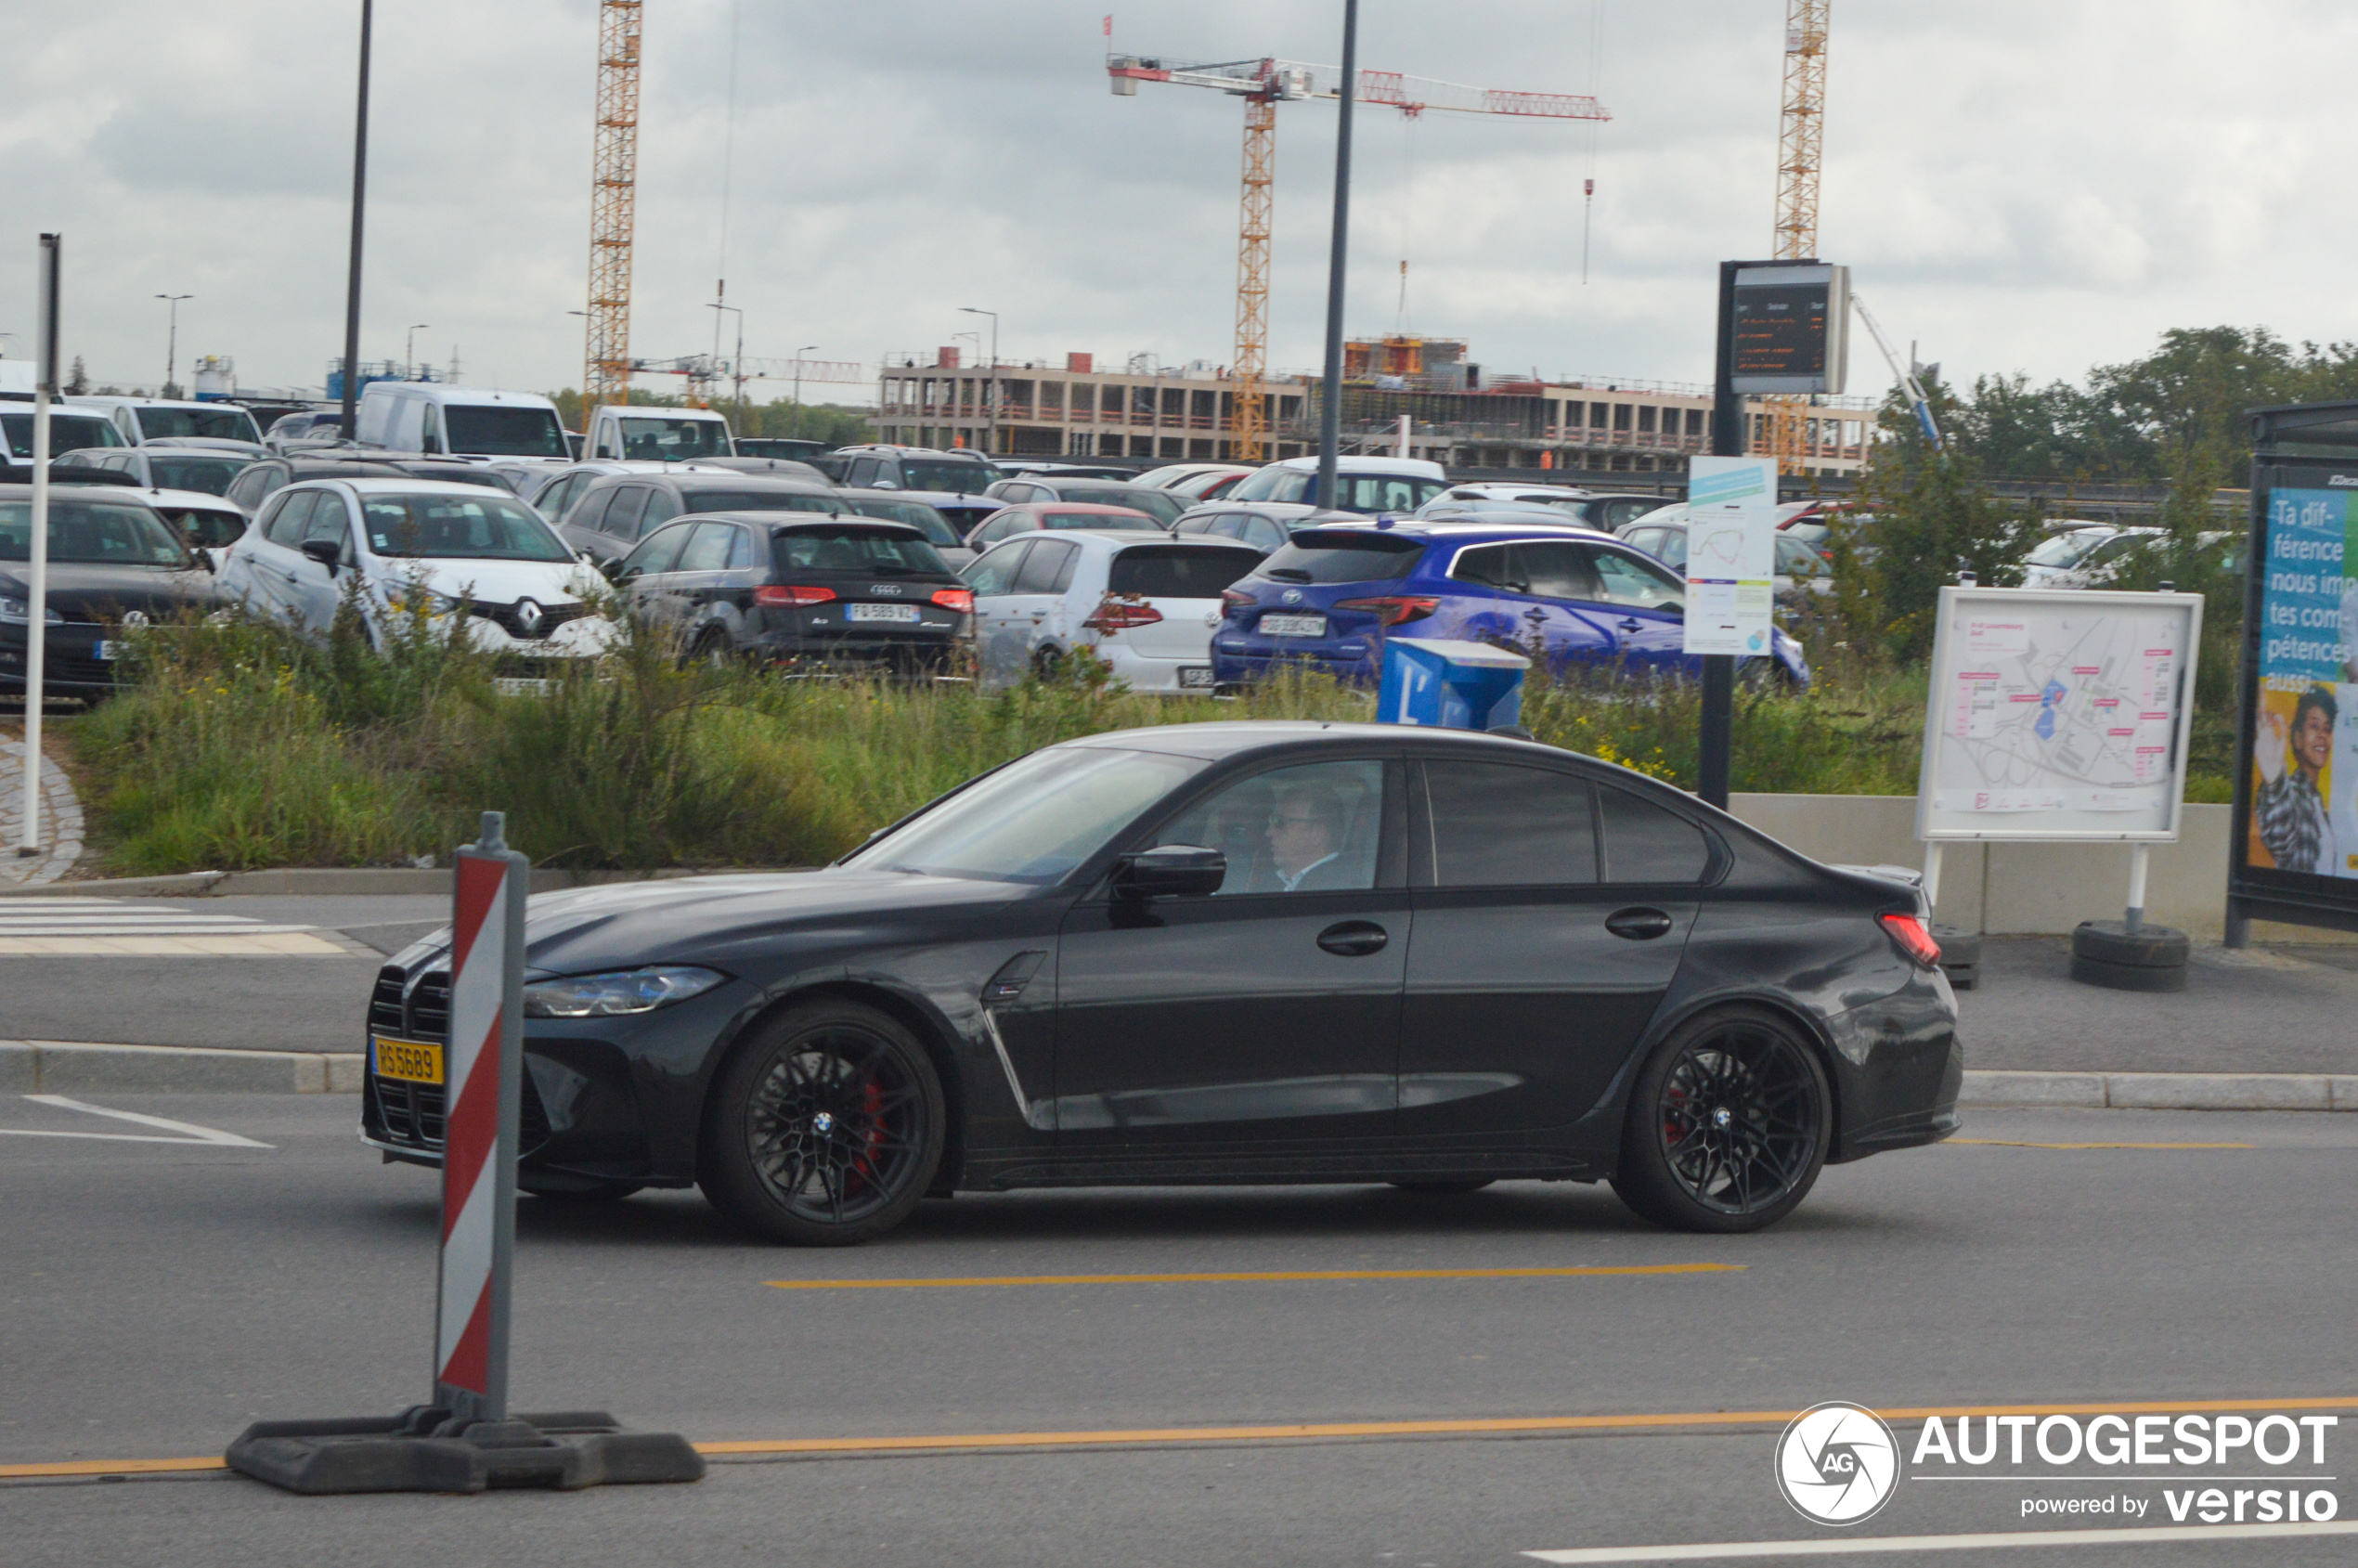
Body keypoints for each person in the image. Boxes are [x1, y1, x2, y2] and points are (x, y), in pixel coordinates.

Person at [2255, 685, 2337, 875]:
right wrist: (2274, 780)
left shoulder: (2317, 801)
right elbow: (2280, 836)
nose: (2323, 734)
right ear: (2298, 738)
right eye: (2314, 726)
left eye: (2328, 728)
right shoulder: (2292, 793)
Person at [1265, 779, 1357, 892]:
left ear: (1317, 834)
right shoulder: (1283, 881)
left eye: (1280, 822)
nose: (1269, 832)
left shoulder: (1333, 887)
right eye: (1272, 821)